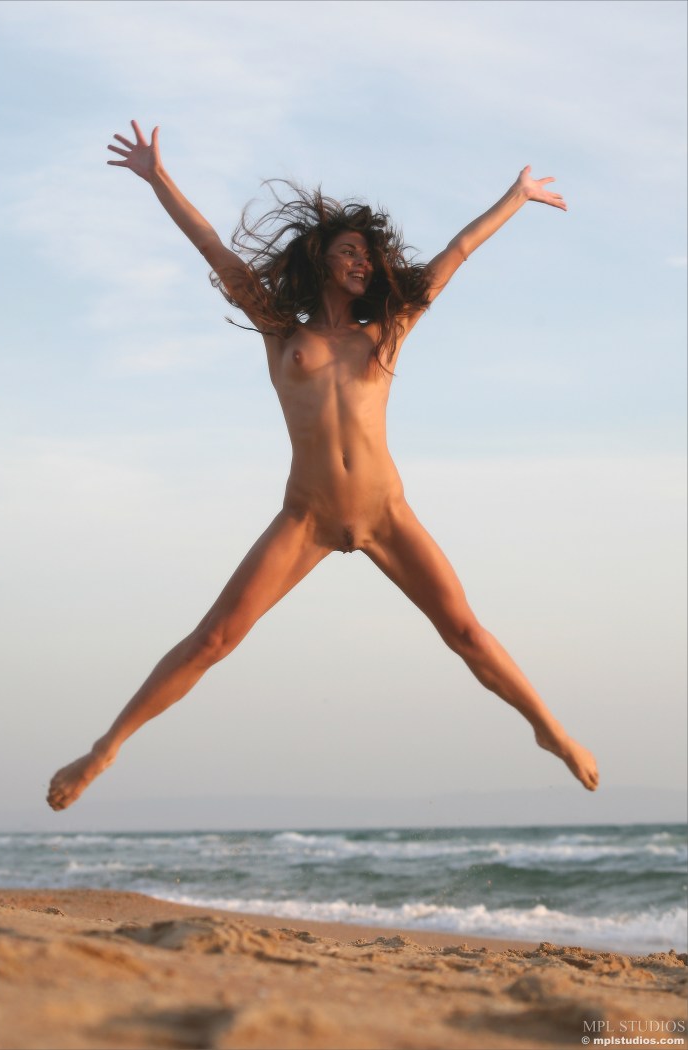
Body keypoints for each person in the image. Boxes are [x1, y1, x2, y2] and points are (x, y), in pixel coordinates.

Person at [47, 120, 599, 812]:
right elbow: (213, 247)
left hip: (385, 512)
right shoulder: (282, 331)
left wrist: (516, 196)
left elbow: (456, 252)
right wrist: (159, 178)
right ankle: (104, 749)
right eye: (349, 252)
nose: (363, 262)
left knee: (465, 631)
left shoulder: (387, 330)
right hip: (307, 515)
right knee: (213, 639)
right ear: (322, 261)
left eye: (368, 254)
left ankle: (551, 732)